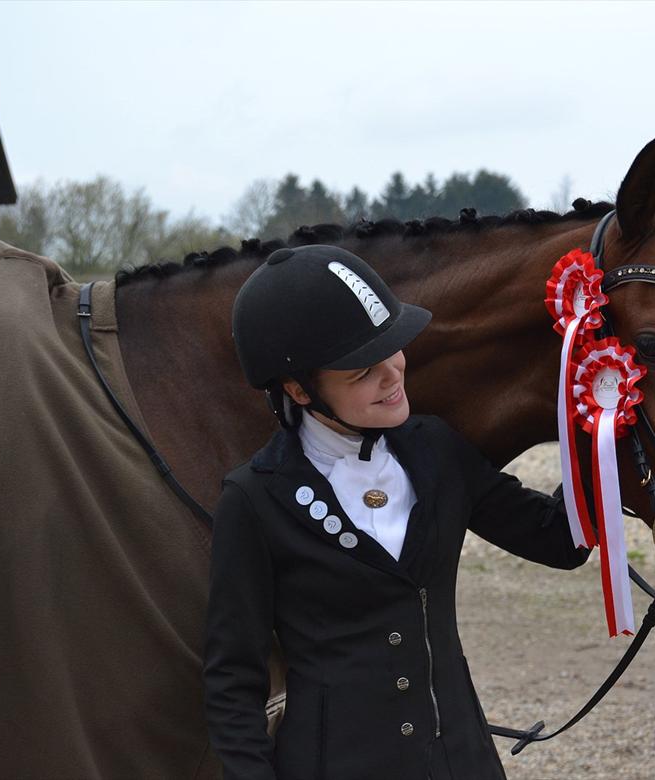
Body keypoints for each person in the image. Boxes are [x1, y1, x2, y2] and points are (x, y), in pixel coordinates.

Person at [203, 244, 589, 780]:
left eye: (395, 349)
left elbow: (559, 541)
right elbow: (233, 683)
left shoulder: (436, 450)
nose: (393, 374)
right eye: (363, 371)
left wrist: (602, 434)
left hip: (463, 763)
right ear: (298, 389)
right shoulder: (254, 499)